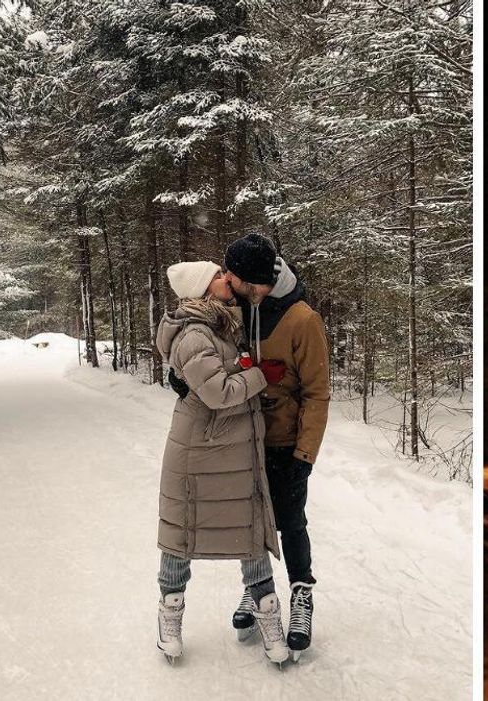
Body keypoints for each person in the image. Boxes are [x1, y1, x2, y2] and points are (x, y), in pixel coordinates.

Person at [172, 234, 330, 657]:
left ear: (262, 280)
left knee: (290, 521)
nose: (231, 283)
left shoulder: (302, 319)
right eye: (231, 278)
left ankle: (302, 593)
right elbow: (201, 347)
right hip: (243, 434)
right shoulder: (237, 305)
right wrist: (180, 376)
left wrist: (305, 454)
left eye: (239, 280)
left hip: (286, 441)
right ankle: (257, 589)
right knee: (252, 521)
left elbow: (318, 393)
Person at [153, 260, 291, 666]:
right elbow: (218, 392)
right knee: (183, 531)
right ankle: (170, 615)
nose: (226, 278)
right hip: (199, 449)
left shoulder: (221, 322)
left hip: (233, 448)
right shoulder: (195, 332)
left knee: (249, 528)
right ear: (201, 288)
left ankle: (268, 614)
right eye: (217, 275)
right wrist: (260, 376)